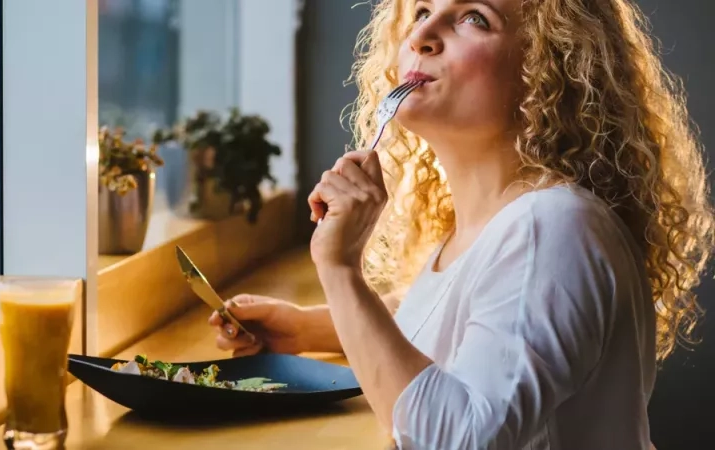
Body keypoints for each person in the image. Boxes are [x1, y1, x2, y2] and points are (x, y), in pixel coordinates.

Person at [209, 0, 714, 448]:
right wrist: (305, 327)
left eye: (475, 18)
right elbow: (451, 321)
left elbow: (455, 438)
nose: (421, 36)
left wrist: (340, 271)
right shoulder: (498, 223)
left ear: (548, 66)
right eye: (423, 12)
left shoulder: (552, 228)